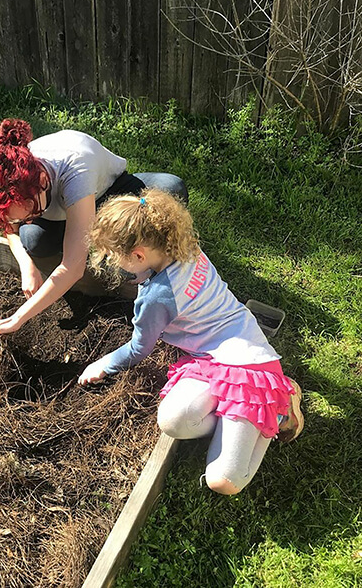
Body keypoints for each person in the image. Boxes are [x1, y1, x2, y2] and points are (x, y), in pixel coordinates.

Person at [77, 188, 304, 495]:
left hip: (249, 368)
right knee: (173, 421)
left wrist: (104, 363)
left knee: (223, 482)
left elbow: (139, 348)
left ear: (139, 255)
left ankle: (279, 406)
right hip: (215, 356)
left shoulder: (157, 297)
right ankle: (240, 416)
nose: (115, 263)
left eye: (116, 257)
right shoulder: (185, 246)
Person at [0, 118, 188, 344]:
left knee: (170, 189)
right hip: (65, 210)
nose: (25, 220)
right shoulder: (8, 177)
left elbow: (73, 268)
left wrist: (17, 319)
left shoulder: (76, 169)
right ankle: (79, 232)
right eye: (23, 217)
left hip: (107, 196)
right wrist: (26, 264)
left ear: (43, 180)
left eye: (30, 213)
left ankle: (97, 234)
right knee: (32, 240)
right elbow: (9, 226)